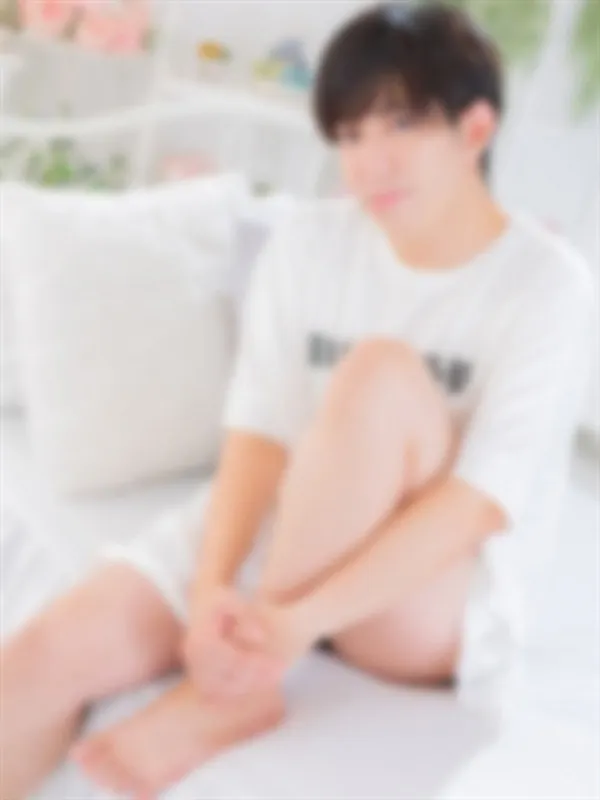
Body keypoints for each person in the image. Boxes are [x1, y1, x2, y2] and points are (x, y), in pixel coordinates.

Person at [1, 3, 594, 798]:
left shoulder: (546, 284)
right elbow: (259, 436)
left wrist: (281, 630)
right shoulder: (311, 242)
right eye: (349, 135)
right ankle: (240, 652)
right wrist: (212, 592)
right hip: (290, 528)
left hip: (422, 594)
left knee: (378, 374)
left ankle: (234, 692)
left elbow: (476, 506)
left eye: (399, 125)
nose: (369, 162)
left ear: (475, 129)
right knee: (32, 665)